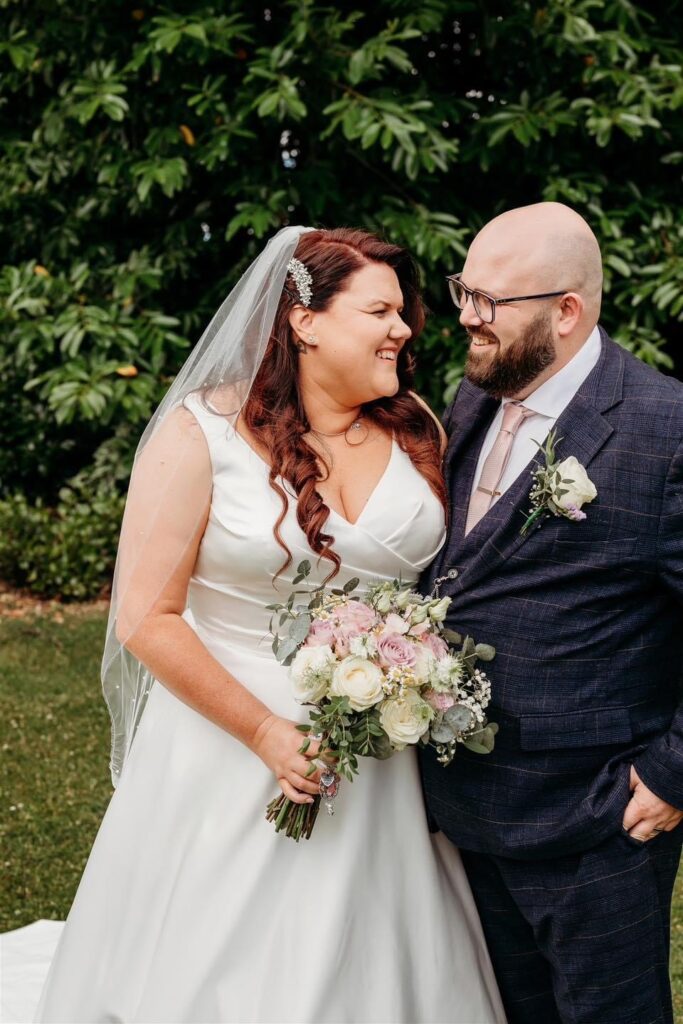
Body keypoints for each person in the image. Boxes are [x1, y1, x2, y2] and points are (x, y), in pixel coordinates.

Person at [27, 226, 505, 1022]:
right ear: (304, 321)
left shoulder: (417, 426)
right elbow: (146, 615)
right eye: (379, 312)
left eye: (402, 313)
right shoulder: (201, 434)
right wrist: (265, 733)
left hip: (379, 760)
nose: (403, 329)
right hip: (226, 749)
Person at [420, 201, 683, 1024]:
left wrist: (671, 774)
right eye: (463, 289)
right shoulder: (473, 399)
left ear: (565, 312)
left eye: (488, 300)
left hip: (596, 820)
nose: (466, 315)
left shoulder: (665, 429)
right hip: (466, 808)